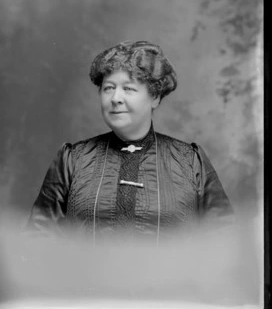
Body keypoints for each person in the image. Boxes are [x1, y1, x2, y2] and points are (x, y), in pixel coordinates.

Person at [25, 40, 234, 244]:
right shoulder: (72, 160)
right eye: (108, 88)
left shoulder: (190, 161)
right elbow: (38, 239)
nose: (115, 98)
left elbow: (223, 242)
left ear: (155, 98)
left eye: (128, 89)